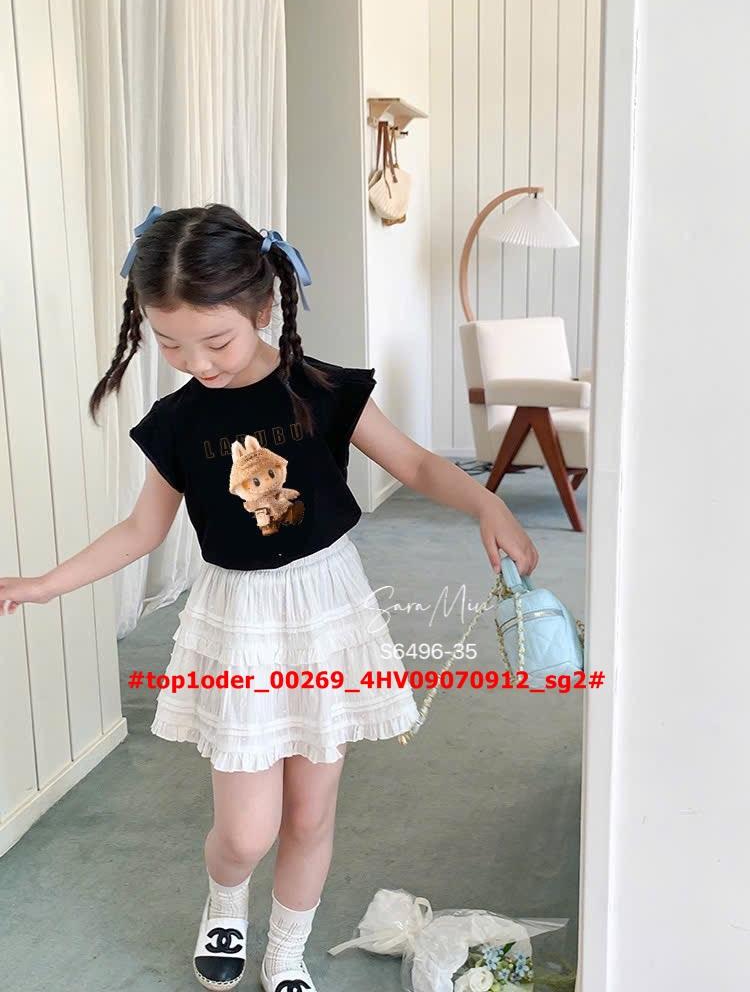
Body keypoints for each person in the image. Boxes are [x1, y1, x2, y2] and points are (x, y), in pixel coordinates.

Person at [0, 203, 538, 992]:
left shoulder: (322, 391)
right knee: (246, 832)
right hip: (241, 619)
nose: (196, 363)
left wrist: (487, 503)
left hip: (327, 609)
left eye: (214, 341)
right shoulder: (178, 421)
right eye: (170, 343)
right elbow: (142, 530)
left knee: (311, 815)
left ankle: (285, 950)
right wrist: (45, 583)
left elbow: (418, 464)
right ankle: (226, 902)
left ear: (261, 308)